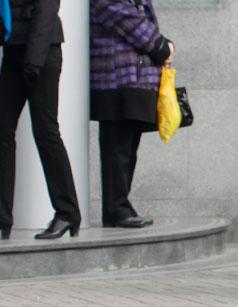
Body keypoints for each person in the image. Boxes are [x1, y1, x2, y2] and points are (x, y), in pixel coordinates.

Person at [0, 0, 81, 240]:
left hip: (41, 53)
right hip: (14, 50)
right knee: (2, 131)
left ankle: (67, 212)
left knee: (46, 132)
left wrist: (34, 60)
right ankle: (2, 220)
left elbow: (46, 10)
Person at [90, 0, 173, 229]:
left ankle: (120, 207)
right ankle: (117, 210)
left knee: (127, 147)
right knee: (117, 148)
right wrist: (160, 45)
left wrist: (161, 45)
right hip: (115, 78)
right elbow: (127, 20)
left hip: (133, 79)